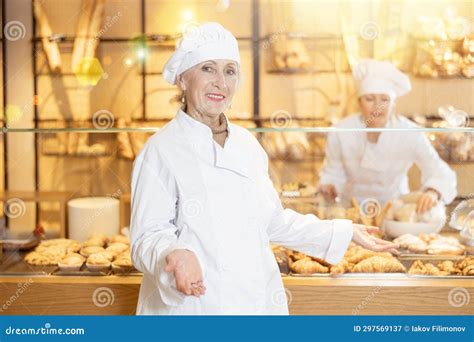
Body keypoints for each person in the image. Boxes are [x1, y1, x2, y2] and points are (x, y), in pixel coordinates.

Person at [130, 24, 397, 315]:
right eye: (208, 69)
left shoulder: (247, 144)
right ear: (182, 78)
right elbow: (147, 236)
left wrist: (342, 231)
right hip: (195, 307)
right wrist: (173, 254)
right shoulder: (160, 151)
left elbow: (272, 221)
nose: (221, 82)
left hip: (254, 304)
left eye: (230, 71)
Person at [319, 59, 457, 213]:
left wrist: (433, 191)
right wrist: (330, 187)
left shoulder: (409, 133)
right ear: (359, 102)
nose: (378, 106)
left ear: (393, 103)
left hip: (395, 212)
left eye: (384, 100)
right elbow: (332, 172)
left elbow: (437, 169)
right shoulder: (341, 131)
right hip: (351, 211)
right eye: (369, 99)